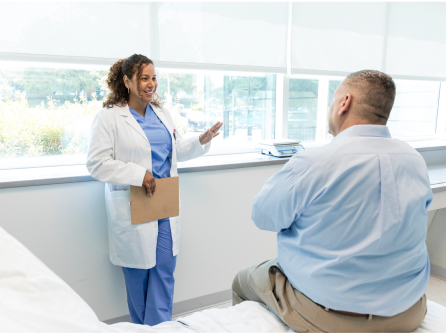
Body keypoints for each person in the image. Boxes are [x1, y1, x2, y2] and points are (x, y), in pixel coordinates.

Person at [232, 70, 432, 332]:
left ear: (344, 102)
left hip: (334, 316)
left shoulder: (315, 162)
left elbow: (263, 216)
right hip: (409, 311)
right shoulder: (414, 160)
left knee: (243, 280)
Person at [87, 54, 222, 326]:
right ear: (127, 81)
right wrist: (138, 174)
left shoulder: (161, 113)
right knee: (138, 276)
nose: (151, 84)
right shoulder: (109, 117)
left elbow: (176, 150)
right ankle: (143, 329)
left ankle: (162, 328)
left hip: (164, 202)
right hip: (134, 203)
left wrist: (201, 140)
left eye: (153, 78)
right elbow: (96, 163)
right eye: (144, 78)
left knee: (164, 270)